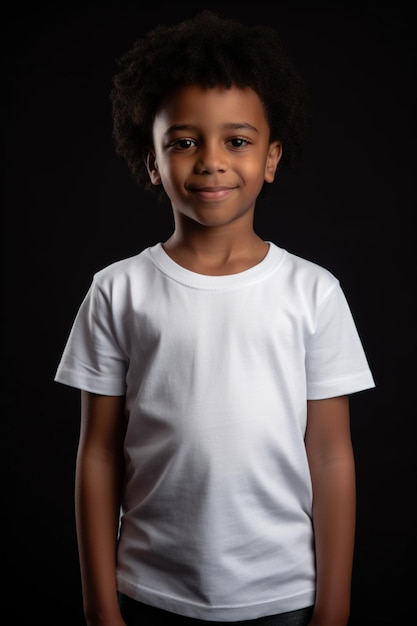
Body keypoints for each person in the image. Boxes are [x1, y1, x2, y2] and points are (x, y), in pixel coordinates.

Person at [54, 9, 375, 626]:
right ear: (151, 161)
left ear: (271, 157)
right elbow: (98, 452)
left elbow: (332, 454)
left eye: (237, 140)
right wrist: (101, 606)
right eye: (183, 141)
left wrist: (334, 607)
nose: (210, 161)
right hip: (148, 591)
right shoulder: (118, 290)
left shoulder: (313, 292)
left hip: (284, 595)